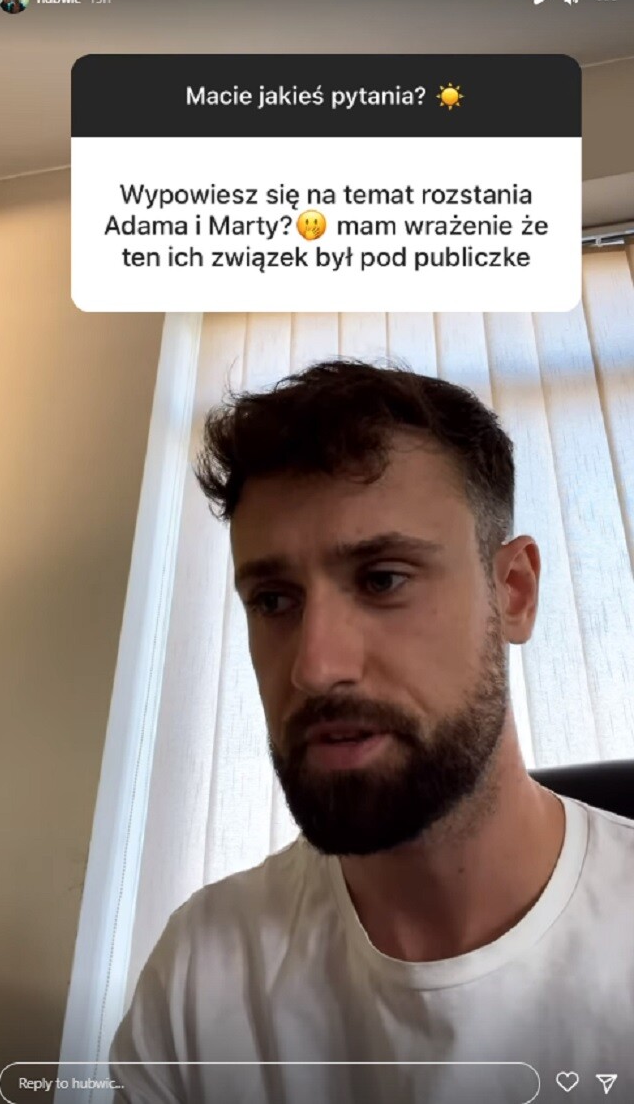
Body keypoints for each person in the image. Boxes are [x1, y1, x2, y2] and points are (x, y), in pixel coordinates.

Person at [110, 357, 634, 1104]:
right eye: (274, 600)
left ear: (514, 593)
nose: (315, 668)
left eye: (383, 578)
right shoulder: (201, 975)